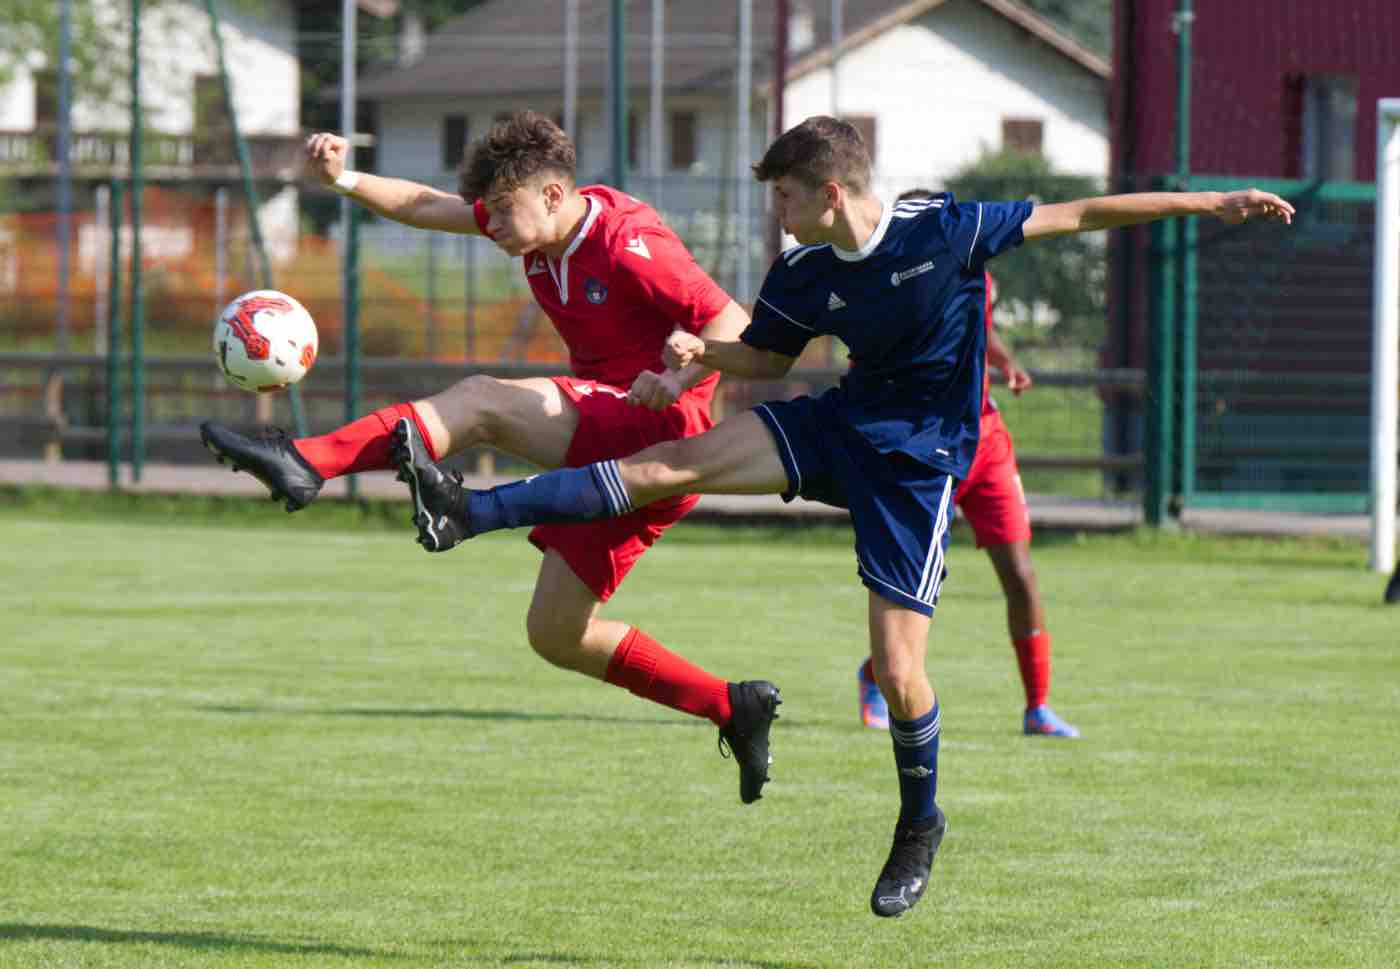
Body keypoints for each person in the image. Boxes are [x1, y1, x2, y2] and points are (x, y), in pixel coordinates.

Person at [387, 116, 1295, 917]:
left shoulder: (944, 228)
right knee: (667, 463)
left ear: (827, 191)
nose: (774, 213)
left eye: (782, 195)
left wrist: (1209, 202)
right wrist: (697, 354)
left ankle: (919, 821)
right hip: (841, 422)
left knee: (901, 674)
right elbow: (762, 361)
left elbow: (1085, 214)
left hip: (921, 463)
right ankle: (471, 508)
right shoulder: (804, 267)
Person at [198, 111, 782, 806]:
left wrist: (682, 372)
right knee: (557, 635)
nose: (492, 224)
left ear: (556, 194)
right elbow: (424, 204)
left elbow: (733, 321)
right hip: (624, 452)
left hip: (658, 426)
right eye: (491, 211)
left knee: (480, 402)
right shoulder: (532, 226)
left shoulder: (627, 239)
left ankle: (307, 461)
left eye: (504, 210)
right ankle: (730, 704)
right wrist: (343, 178)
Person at [857, 190, 1077, 737]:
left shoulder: (969, 260)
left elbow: (980, 320)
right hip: (929, 444)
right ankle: (875, 674)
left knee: (1021, 575)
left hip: (988, 439)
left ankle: (1038, 707)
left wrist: (1004, 362)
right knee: (915, 587)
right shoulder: (894, 284)